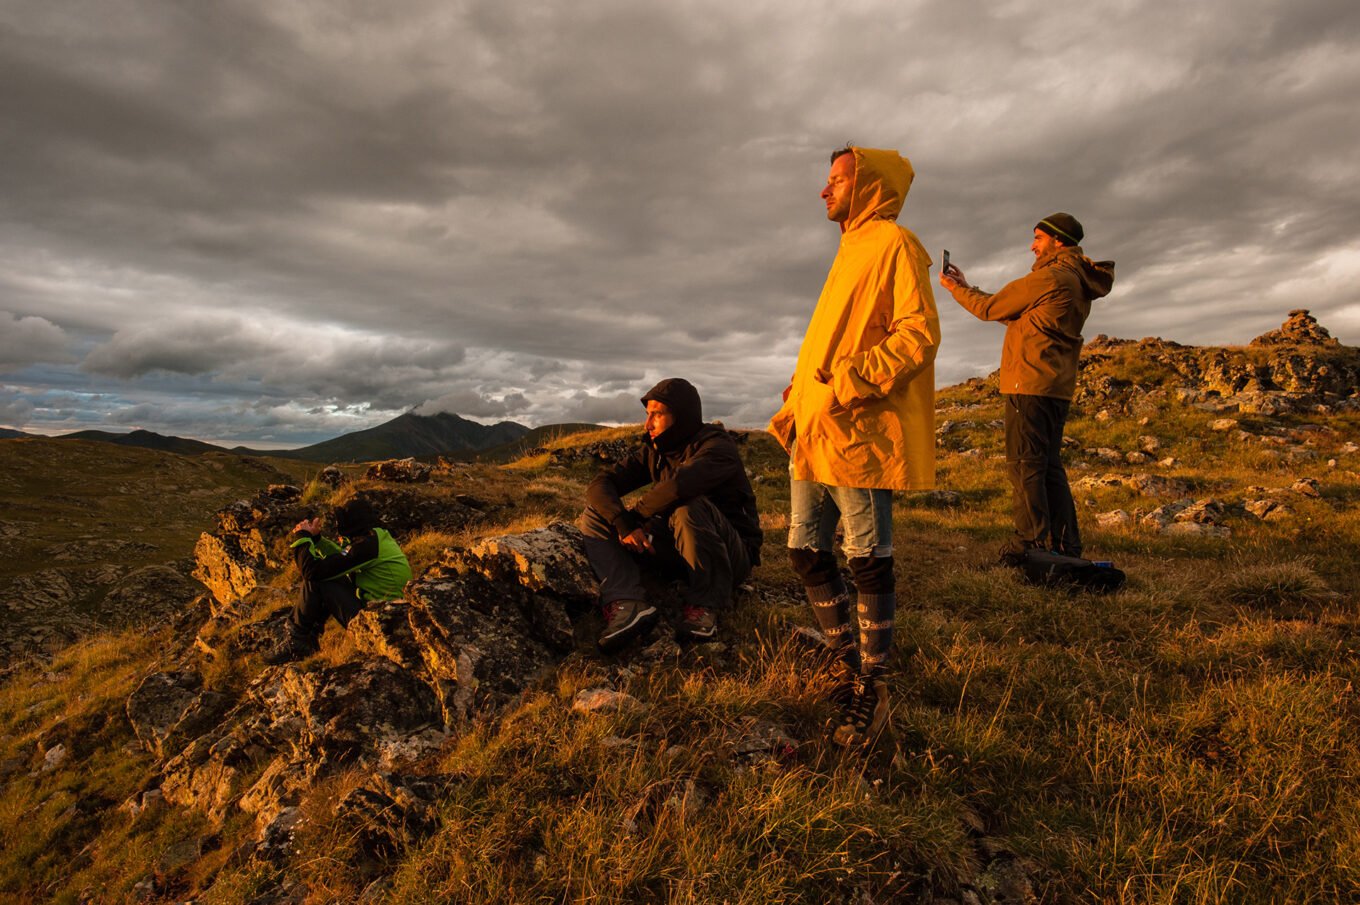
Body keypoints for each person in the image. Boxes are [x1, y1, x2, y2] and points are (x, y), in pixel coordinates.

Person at [768, 146, 940, 748]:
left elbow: (917, 334)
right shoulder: (849, 250)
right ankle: (845, 666)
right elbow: (832, 339)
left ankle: (876, 684)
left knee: (865, 554)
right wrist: (798, 396)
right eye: (827, 180)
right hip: (815, 427)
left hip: (857, 426)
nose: (824, 190)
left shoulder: (895, 244)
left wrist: (846, 382)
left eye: (836, 179)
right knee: (805, 549)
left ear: (866, 185)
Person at [939, 212, 1115, 562]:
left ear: (1058, 241)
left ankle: (1030, 546)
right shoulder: (1075, 279)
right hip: (1055, 385)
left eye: (1038, 238)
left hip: (1029, 382)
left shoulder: (1050, 276)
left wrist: (956, 289)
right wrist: (968, 287)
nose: (1032, 245)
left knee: (1025, 466)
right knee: (1048, 466)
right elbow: (1015, 312)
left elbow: (990, 309)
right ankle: (1067, 547)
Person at [578, 378, 762, 651]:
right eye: (647, 415)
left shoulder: (718, 448)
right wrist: (622, 522)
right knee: (595, 513)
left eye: (657, 415)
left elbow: (680, 486)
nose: (647, 424)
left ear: (682, 416)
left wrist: (636, 518)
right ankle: (628, 603)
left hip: (730, 555)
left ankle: (704, 603)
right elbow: (600, 484)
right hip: (677, 546)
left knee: (687, 506)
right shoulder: (657, 450)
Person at [265, 497, 413, 664]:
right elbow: (343, 559)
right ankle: (304, 638)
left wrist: (302, 539)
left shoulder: (368, 546)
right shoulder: (375, 539)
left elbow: (312, 571)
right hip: (388, 611)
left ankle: (297, 641)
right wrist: (317, 541)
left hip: (382, 620)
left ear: (353, 523)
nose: (338, 527)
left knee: (320, 580)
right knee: (327, 577)